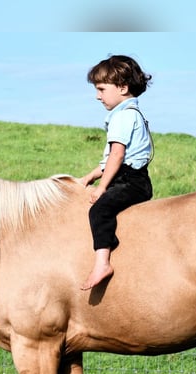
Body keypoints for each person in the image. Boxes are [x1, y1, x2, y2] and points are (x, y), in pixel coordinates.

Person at [79, 55, 153, 290]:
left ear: (122, 87)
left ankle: (102, 263)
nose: (97, 96)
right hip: (128, 177)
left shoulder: (123, 116)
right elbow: (109, 161)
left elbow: (117, 156)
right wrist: (90, 177)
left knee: (99, 210)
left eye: (101, 89)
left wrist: (101, 188)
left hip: (130, 181)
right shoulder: (129, 113)